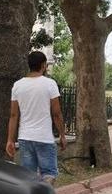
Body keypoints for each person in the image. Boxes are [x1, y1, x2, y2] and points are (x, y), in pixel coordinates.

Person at [5, 51, 67, 184]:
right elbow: (56, 114)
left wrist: (10, 140)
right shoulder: (50, 84)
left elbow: (14, 115)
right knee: (49, 174)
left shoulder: (18, 85)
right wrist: (62, 135)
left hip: (25, 138)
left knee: (28, 177)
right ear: (44, 65)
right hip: (44, 138)